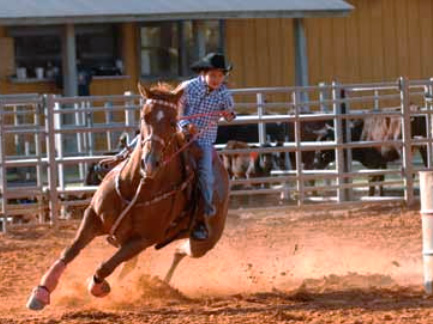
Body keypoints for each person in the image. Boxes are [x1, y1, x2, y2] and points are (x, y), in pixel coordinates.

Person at [100, 52, 236, 240]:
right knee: (150, 139)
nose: (216, 79)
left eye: (220, 76)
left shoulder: (224, 94)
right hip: (178, 134)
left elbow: (230, 113)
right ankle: (121, 156)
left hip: (204, 141)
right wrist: (185, 126)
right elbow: (174, 111)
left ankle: (204, 216)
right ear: (203, 74)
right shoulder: (188, 88)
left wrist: (228, 114)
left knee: (205, 175)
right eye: (213, 75)